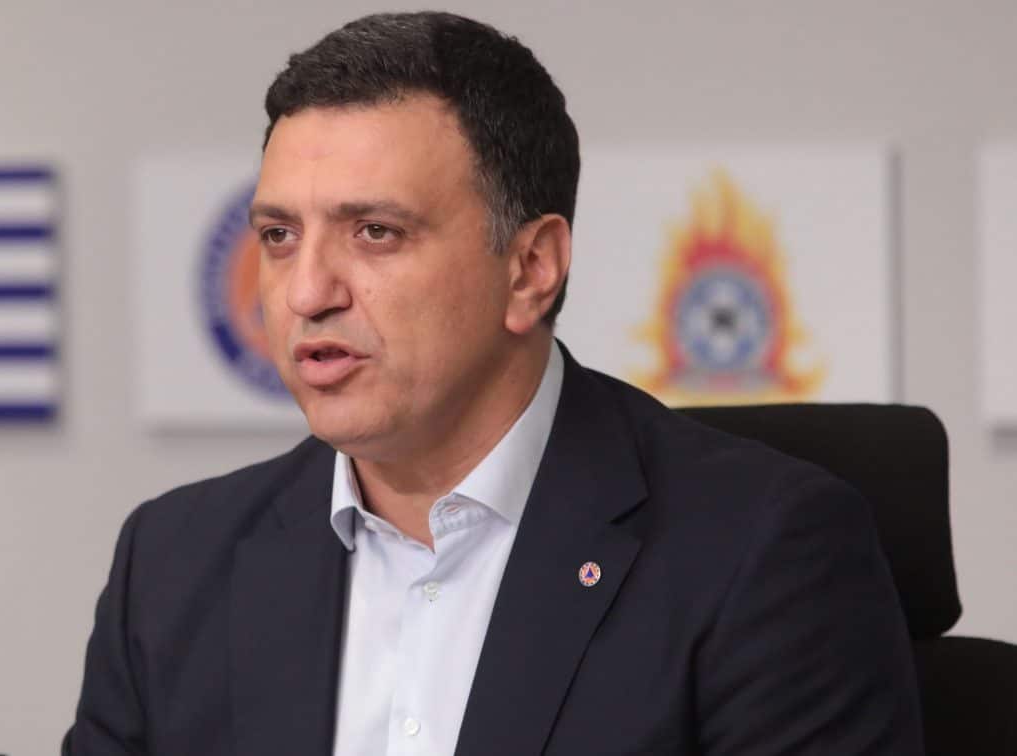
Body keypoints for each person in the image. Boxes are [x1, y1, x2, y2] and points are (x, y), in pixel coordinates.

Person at [64, 12, 922, 755]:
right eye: (280, 236)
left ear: (530, 268)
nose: (306, 293)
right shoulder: (173, 563)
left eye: (375, 232)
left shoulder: (761, 553)